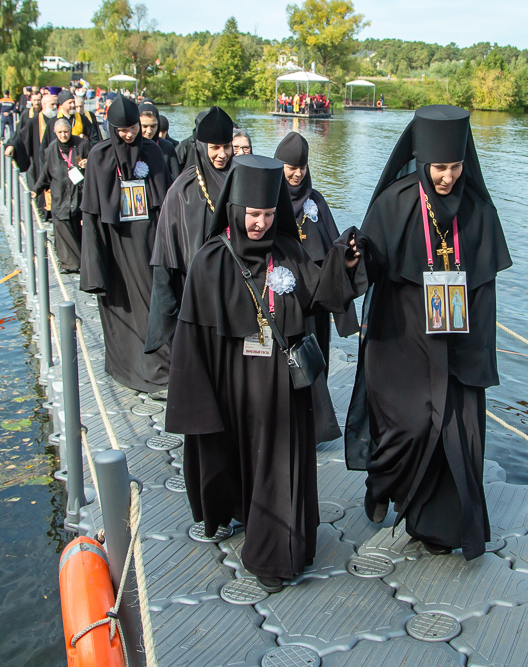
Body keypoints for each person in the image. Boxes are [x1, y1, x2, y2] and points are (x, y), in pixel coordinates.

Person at [166, 154, 365, 592]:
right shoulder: (210, 261)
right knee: (237, 462)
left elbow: (317, 291)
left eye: (269, 214)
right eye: (252, 214)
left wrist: (344, 265)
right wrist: (196, 404)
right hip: (233, 389)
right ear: (235, 211)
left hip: (283, 392)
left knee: (279, 468)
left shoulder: (288, 251)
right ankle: (238, 515)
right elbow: (192, 341)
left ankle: (274, 555)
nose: (259, 223)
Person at [344, 105, 512, 559]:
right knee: (411, 427)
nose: (448, 177)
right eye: (440, 168)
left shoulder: (477, 210)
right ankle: (383, 483)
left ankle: (440, 529)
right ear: (422, 162)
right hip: (401, 337)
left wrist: (478, 354)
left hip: (459, 342)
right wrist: (356, 259)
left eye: (456, 167)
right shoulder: (394, 203)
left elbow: (484, 289)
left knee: (457, 436)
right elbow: (373, 266)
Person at [79, 96, 172, 392]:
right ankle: (125, 368)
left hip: (147, 243)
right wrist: (94, 263)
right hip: (115, 245)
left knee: (151, 304)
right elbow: (92, 213)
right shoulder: (99, 156)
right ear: (111, 128)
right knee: (120, 306)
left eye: (133, 128)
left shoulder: (153, 154)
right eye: (122, 130)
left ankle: (159, 371)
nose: (130, 135)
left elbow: (165, 205)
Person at [274, 131, 360, 442]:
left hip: (315, 301)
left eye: (302, 167)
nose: (297, 173)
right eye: (290, 167)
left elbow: (334, 244)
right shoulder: (269, 197)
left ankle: (313, 428)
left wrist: (346, 257)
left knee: (314, 361)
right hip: (283, 301)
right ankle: (283, 428)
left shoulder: (316, 201)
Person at [144, 106, 235, 365]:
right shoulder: (181, 191)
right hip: (194, 290)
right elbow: (166, 252)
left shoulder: (242, 179)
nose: (222, 154)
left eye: (226, 146)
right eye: (214, 147)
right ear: (201, 146)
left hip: (235, 286)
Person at [33, 117, 89, 272]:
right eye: (60, 133)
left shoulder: (82, 145)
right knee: (62, 230)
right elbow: (45, 174)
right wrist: (35, 190)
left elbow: (96, 164)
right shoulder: (51, 149)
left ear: (70, 130)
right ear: (55, 132)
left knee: (79, 231)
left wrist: (87, 163)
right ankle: (69, 264)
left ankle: (81, 262)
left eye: (66, 132)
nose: (63, 135)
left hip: (78, 194)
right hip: (60, 196)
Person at [5, 91, 54, 211]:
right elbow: (21, 136)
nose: (54, 107)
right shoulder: (34, 120)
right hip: (40, 159)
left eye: (55, 104)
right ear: (44, 105)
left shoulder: (58, 120)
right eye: (52, 104)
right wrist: (12, 145)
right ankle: (44, 211)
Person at [139, 102, 180, 179]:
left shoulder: (167, 147)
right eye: (144, 126)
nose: (149, 131)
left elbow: (176, 176)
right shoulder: (131, 147)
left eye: (153, 126)